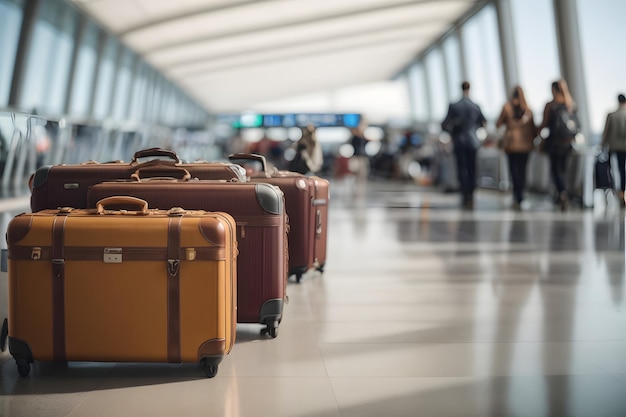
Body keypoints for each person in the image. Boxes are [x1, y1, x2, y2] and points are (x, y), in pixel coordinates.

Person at [441, 81, 487, 209]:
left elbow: (444, 124)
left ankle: (464, 193)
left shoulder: (454, 106)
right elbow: (483, 122)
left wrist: (452, 130)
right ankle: (471, 194)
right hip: (473, 141)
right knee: (472, 168)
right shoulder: (476, 106)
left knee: (461, 168)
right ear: (470, 88)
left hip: (459, 141)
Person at [537, 79, 578, 211]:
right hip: (567, 143)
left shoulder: (551, 105)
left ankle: (562, 193)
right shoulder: (570, 104)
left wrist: (537, 136)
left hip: (554, 143)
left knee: (555, 170)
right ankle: (563, 192)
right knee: (563, 169)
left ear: (554, 89)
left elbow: (544, 124)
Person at [496, 86, 536, 210]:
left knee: (514, 171)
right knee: (523, 171)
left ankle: (516, 195)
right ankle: (521, 196)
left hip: (512, 145)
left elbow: (498, 123)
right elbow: (534, 129)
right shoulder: (528, 110)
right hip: (525, 146)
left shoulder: (507, 108)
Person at [601, 93, 626, 206]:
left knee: (611, 169)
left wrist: (602, 145)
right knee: (622, 169)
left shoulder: (612, 115)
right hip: (624, 147)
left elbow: (606, 132)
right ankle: (622, 192)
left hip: (613, 146)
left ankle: (612, 189)